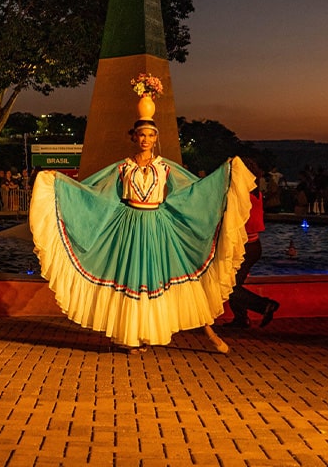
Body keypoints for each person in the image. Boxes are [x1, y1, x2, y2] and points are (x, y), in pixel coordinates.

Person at [29, 86, 254, 354]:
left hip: (158, 226)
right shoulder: (123, 167)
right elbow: (95, 192)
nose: (146, 139)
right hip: (129, 226)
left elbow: (193, 190)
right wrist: (58, 183)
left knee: (167, 277)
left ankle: (206, 331)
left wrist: (225, 175)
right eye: (142, 135)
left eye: (150, 135)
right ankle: (132, 335)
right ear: (134, 137)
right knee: (132, 280)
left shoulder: (165, 167)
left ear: (156, 138)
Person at [224, 158, 280, 329]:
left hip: (246, 247)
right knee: (233, 283)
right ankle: (241, 318)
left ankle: (264, 305)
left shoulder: (242, 195)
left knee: (228, 286)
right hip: (253, 245)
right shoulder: (255, 192)